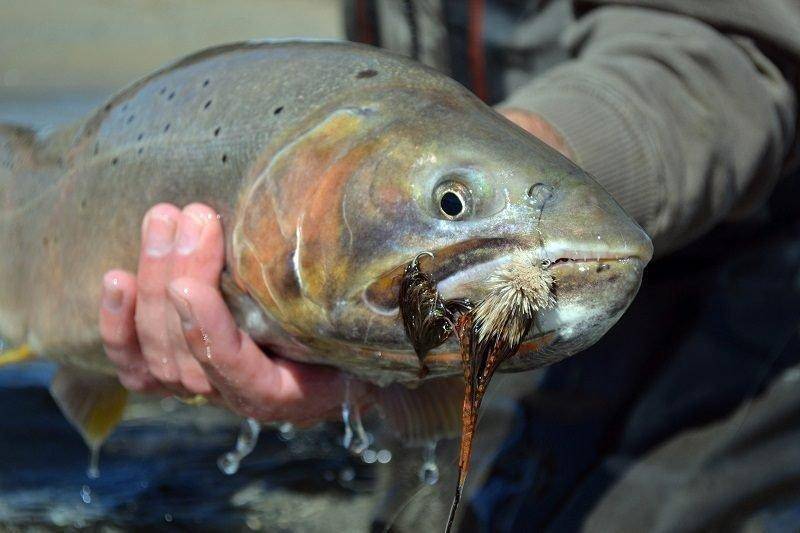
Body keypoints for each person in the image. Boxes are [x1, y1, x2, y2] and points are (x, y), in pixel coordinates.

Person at [98, 1, 800, 530]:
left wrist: (532, 159)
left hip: (748, 246)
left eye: (457, 203)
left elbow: (736, 45)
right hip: (443, 302)